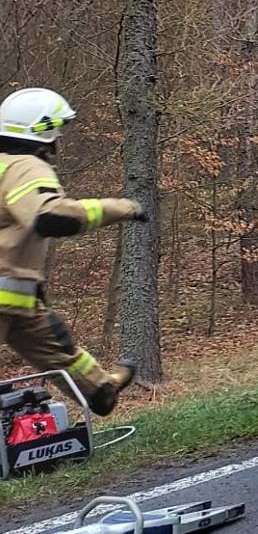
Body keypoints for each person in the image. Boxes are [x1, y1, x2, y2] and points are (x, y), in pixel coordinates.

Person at [1, 88, 147, 416]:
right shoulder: (25, 167)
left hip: (16, 300)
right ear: (43, 130)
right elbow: (50, 216)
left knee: (57, 346)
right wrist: (123, 208)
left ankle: (100, 389)